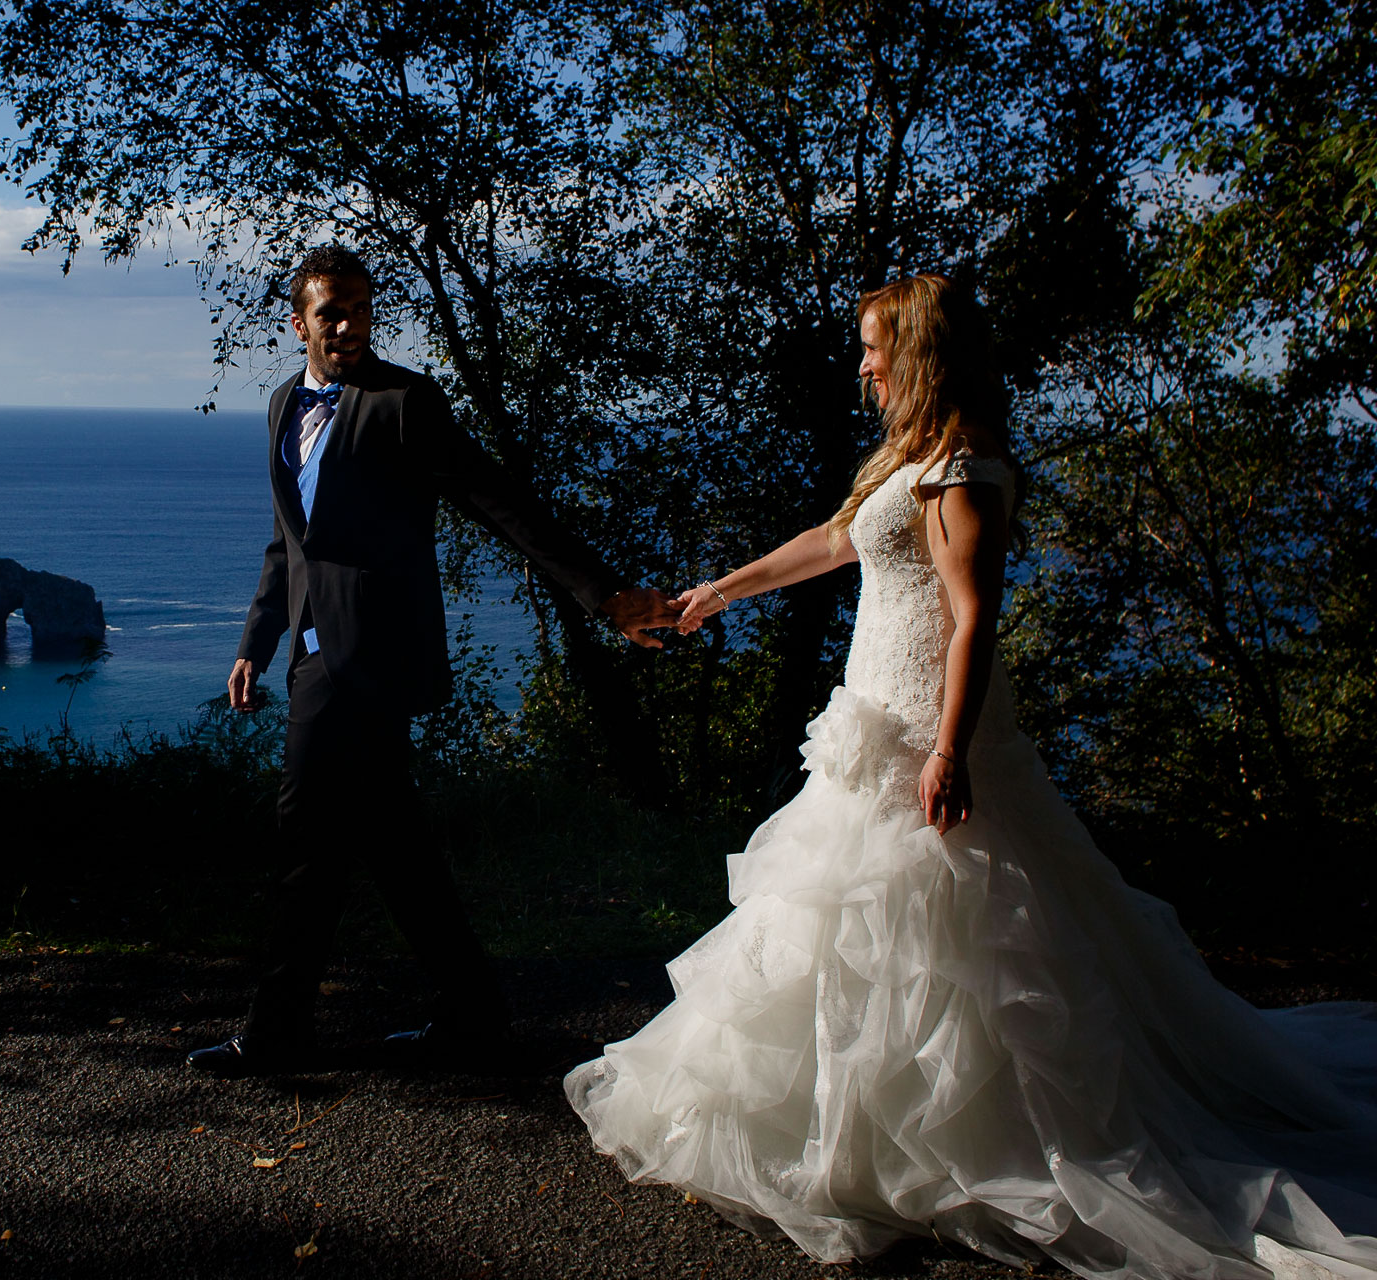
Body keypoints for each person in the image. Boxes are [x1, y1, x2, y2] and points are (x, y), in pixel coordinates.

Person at [566, 274, 1377, 1280]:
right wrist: (718, 591)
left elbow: (972, 613)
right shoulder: (903, 458)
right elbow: (833, 540)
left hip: (924, 730)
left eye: (876, 348)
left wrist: (949, 748)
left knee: (958, 937)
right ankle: (846, 1129)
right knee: (840, 928)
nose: (863, 366)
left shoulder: (965, 467)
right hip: (870, 719)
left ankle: (964, 1140)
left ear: (920, 352)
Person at [188, 245, 678, 1077]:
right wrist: (255, 644)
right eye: (329, 312)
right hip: (311, 653)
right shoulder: (281, 405)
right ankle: (474, 1015)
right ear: (299, 321)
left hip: (370, 658)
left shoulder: (405, 400)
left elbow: (498, 500)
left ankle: (277, 1032)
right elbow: (289, 543)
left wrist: (605, 596)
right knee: (393, 845)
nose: (345, 325)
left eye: (358, 308)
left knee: (307, 836)